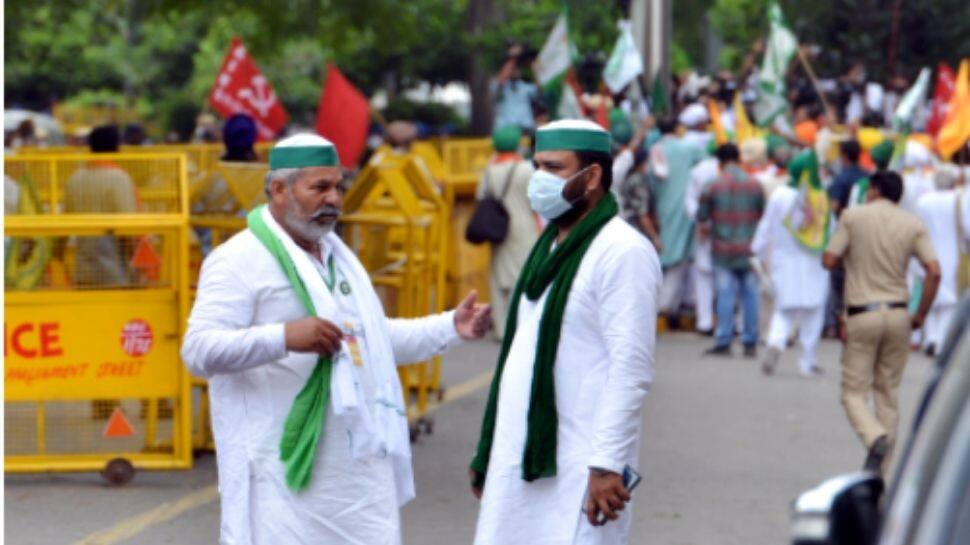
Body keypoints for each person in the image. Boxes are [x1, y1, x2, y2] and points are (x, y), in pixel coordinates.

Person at [181, 133, 492, 545]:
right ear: (278, 189)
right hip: (282, 471)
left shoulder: (338, 258)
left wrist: (450, 327)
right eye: (320, 187)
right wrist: (284, 337)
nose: (334, 199)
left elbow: (371, 341)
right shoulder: (238, 260)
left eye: (338, 187)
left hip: (353, 473)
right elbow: (198, 351)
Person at [470, 119, 661, 545]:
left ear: (591, 177)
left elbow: (631, 366)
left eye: (553, 168)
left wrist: (607, 463)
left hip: (582, 464)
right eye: (536, 165)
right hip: (521, 455)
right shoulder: (548, 247)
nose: (538, 180)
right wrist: (490, 455)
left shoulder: (622, 251)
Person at [822, 170, 941, 474]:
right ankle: (881, 479)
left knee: (853, 392)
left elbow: (829, 260)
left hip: (863, 313)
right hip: (900, 313)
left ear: (873, 190)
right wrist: (921, 314)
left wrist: (853, 254)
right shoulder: (912, 223)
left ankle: (875, 437)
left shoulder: (853, 217)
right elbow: (934, 271)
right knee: (887, 393)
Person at [753, 150, 831, 377]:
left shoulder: (779, 195)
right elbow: (830, 229)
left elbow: (766, 226)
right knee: (813, 312)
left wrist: (757, 250)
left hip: (783, 261)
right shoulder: (820, 197)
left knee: (783, 309)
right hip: (814, 262)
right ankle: (807, 362)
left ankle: (775, 342)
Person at [697, 143, 766, 357]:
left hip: (723, 250)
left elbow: (702, 217)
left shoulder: (712, 185)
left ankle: (724, 340)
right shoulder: (755, 184)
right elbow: (763, 215)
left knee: (725, 295)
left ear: (719, 162)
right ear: (738, 158)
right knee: (750, 295)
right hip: (749, 249)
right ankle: (750, 341)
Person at [476, 125, 538, 339]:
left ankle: (502, 329)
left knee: (499, 278)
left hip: (499, 229)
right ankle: (520, 325)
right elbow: (536, 202)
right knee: (523, 276)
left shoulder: (489, 170)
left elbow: (480, 196)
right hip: (525, 227)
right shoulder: (526, 170)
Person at [63, 125, 138, 286]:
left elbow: (63, 227)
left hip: (82, 272)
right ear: (117, 148)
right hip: (114, 274)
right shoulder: (119, 179)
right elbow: (131, 231)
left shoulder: (74, 179)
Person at [649, 116, 705, 320]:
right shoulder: (687, 149)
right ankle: (664, 305)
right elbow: (707, 161)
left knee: (672, 253)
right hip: (683, 206)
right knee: (677, 255)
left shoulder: (654, 150)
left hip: (662, 205)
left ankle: (671, 303)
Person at [915, 165, 963, 354]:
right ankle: (941, 342)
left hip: (927, 251)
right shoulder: (957, 199)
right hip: (952, 252)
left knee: (930, 297)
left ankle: (930, 338)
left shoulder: (923, 201)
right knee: (949, 301)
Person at [684, 141, 720, 335]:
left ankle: (705, 322)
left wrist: (701, 221)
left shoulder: (699, 170)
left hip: (706, 229)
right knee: (722, 277)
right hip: (722, 230)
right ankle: (720, 322)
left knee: (705, 277)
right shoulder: (735, 168)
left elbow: (689, 200)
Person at [491, 43, 539, 133]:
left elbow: (540, 87)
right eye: (512, 69)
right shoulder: (499, 86)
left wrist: (532, 65)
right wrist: (513, 57)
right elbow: (501, 79)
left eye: (516, 68)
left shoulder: (525, 87)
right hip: (506, 130)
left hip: (526, 128)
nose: (514, 71)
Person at [828, 140, 868, 218]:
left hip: (845, 221)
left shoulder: (841, 178)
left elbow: (834, 206)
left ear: (845, 156)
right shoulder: (867, 175)